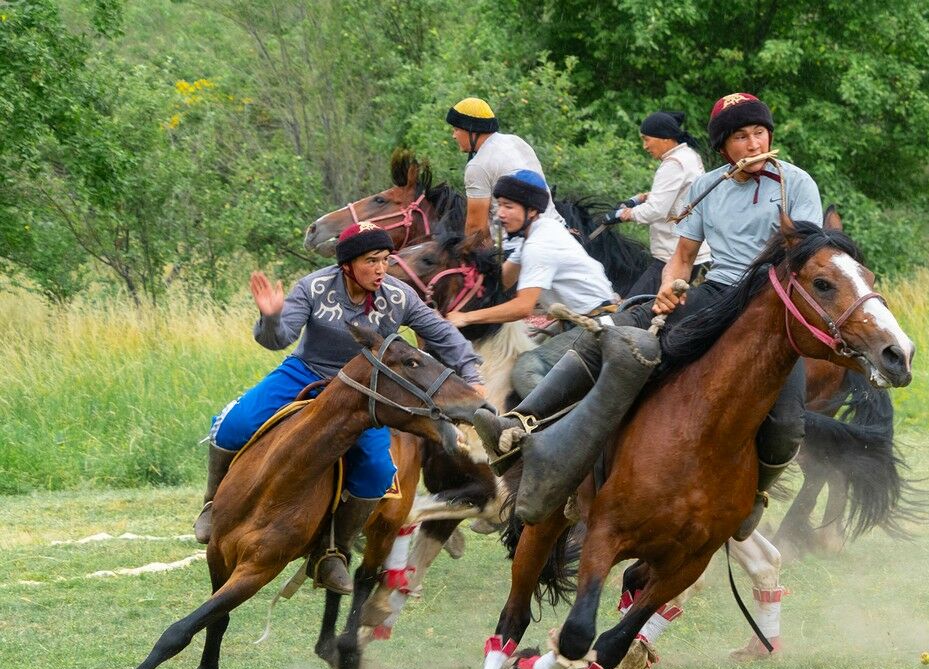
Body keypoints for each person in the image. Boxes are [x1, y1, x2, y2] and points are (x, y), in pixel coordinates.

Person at [475, 93, 822, 539]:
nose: (754, 144)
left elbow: (805, 258)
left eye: (759, 133)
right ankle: (519, 422)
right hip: (716, 294)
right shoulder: (705, 187)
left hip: (771, 307)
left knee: (788, 425)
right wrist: (665, 290)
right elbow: (682, 257)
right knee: (618, 328)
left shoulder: (797, 184)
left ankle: (755, 497)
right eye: (741, 137)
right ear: (723, 147)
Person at [196, 221, 485, 594]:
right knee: (233, 423)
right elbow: (278, 338)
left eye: (385, 259)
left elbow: (443, 335)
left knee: (378, 472)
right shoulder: (314, 287)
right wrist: (270, 317)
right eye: (371, 261)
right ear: (347, 265)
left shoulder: (400, 296)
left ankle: (334, 551)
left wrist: (471, 371)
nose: (381, 269)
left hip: (367, 392)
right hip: (307, 373)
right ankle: (211, 505)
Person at [445, 170, 616, 396]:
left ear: (532, 210)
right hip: (579, 321)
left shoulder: (539, 245)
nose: (500, 214)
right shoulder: (535, 234)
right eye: (499, 206)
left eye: (509, 206)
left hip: (595, 327)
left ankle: (549, 429)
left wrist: (466, 317)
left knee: (525, 370)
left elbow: (522, 307)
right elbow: (502, 282)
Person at [615, 111, 712, 297]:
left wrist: (628, 214)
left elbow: (655, 210)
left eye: (646, 139)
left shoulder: (673, 163)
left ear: (665, 138)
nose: (645, 146)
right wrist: (648, 196)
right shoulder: (689, 155)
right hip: (693, 251)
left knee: (633, 306)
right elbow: (684, 195)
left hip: (672, 255)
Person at [445, 97, 565, 243]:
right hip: (559, 231)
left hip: (521, 245)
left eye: (456, 129)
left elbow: (475, 230)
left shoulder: (478, 165)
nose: (453, 136)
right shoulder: (516, 141)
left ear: (471, 130)